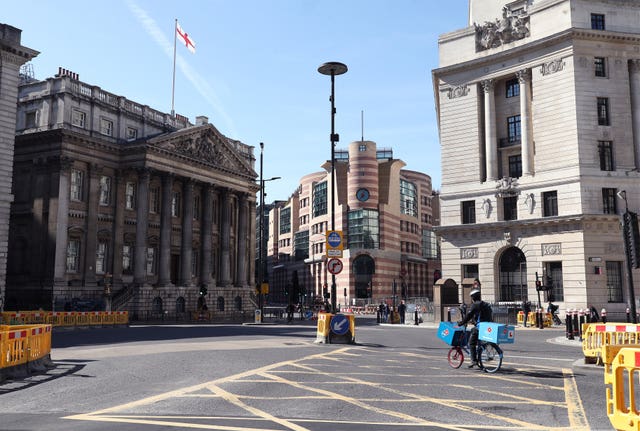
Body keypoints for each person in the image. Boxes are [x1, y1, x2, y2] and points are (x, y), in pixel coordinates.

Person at [457, 288, 493, 369]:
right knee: (476, 336)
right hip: (488, 326)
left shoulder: (476, 305)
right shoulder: (484, 304)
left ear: (473, 297)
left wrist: (461, 323)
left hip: (481, 327)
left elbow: (469, 316)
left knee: (471, 342)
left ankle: (474, 360)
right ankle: (479, 356)